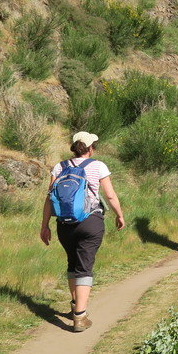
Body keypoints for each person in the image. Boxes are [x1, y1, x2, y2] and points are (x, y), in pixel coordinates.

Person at [40, 131, 125, 332]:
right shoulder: (98, 166)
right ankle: (80, 316)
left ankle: (73, 306)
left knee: (72, 263)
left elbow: (49, 198)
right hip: (90, 221)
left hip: (64, 223)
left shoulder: (59, 167)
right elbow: (110, 196)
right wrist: (119, 215)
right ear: (90, 148)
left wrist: (44, 225)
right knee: (84, 267)